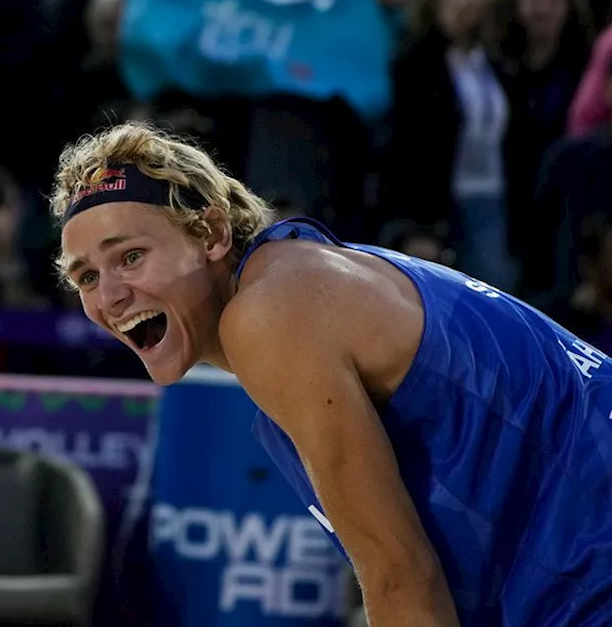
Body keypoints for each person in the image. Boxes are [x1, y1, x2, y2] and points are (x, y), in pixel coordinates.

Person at [51, 122, 613, 625]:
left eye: (130, 257)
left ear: (213, 235)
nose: (112, 296)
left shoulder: (270, 314)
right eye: (86, 278)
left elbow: (401, 576)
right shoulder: (302, 273)